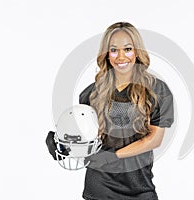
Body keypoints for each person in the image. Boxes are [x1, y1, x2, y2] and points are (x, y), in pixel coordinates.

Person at [46, 22, 174, 200]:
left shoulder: (157, 91)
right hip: (99, 189)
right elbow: (87, 142)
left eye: (127, 49)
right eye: (114, 50)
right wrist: (61, 144)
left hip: (139, 190)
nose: (121, 57)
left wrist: (113, 156)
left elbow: (155, 139)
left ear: (137, 51)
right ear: (106, 54)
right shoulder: (90, 93)